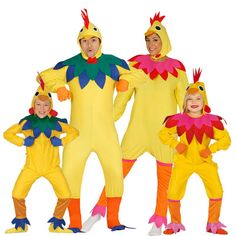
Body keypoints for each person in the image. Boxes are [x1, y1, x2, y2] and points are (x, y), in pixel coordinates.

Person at [83, 12, 189, 236]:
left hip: (164, 133)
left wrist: (192, 130)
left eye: (155, 40)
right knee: (117, 172)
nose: (151, 44)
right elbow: (122, 99)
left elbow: (185, 102)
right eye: (148, 40)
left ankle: (159, 221)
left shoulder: (177, 69)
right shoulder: (135, 65)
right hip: (137, 130)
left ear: (165, 41)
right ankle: (99, 211)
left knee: (164, 179)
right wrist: (107, 119)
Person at [37, 9, 142, 232]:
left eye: (93, 40)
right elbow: (43, 77)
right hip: (77, 134)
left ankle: (113, 219)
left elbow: (138, 74)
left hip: (106, 133)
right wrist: (59, 88)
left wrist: (125, 82)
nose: (89, 45)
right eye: (84, 41)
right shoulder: (70, 65)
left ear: (100, 41)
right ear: (79, 44)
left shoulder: (113, 63)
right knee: (70, 174)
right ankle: (75, 221)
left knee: (115, 172)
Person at [159, 69, 231, 235]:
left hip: (204, 162)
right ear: (185, 102)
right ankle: (175, 223)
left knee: (217, 190)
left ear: (203, 101)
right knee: (173, 191)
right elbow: (163, 134)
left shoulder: (211, 121)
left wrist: (210, 149)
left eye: (198, 98)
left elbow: (226, 140)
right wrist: (175, 144)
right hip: (183, 162)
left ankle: (213, 223)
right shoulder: (178, 120)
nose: (194, 102)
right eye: (190, 99)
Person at [3, 84, 79, 233]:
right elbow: (7, 134)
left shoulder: (57, 123)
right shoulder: (27, 122)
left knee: (65, 195)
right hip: (31, 167)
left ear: (50, 106)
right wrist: (23, 141)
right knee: (17, 194)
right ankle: (21, 225)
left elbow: (75, 132)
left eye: (46, 105)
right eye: (38, 104)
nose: (42, 108)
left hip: (53, 168)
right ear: (33, 105)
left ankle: (56, 224)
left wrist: (62, 141)